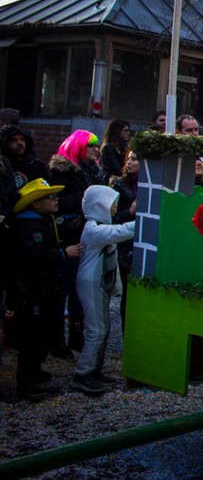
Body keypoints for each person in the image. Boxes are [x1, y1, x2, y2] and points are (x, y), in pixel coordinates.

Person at [9, 179, 83, 400]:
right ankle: (26, 382)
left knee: (42, 331)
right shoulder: (28, 226)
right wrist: (63, 253)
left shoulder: (42, 221)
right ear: (35, 203)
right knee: (32, 335)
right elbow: (33, 256)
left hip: (44, 286)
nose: (55, 200)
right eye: (50, 197)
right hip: (32, 288)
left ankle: (35, 370)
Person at [71, 185, 135, 395]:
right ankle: (83, 374)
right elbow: (120, 232)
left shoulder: (99, 226)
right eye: (111, 204)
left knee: (103, 327)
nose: (115, 207)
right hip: (91, 283)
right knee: (96, 330)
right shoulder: (94, 229)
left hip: (99, 282)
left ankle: (94, 370)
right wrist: (145, 222)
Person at [48, 130, 106, 356]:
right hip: (68, 239)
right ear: (78, 147)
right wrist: (84, 201)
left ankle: (76, 336)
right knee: (62, 291)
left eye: (97, 145)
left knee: (80, 292)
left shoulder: (94, 171)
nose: (96, 149)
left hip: (88, 237)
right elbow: (55, 203)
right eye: (91, 145)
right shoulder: (61, 172)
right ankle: (56, 340)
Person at [109, 150, 139, 328]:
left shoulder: (149, 185)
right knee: (127, 292)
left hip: (143, 242)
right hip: (126, 245)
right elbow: (111, 218)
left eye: (134, 159)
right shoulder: (119, 185)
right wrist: (130, 211)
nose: (129, 162)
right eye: (128, 159)